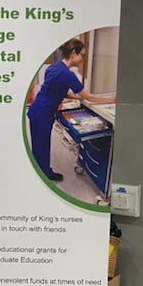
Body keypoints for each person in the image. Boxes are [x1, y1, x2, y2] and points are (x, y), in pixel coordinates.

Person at [27, 38, 116, 181]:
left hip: (36, 110)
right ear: (73, 53)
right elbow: (89, 96)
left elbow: (57, 90)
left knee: (38, 146)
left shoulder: (53, 67)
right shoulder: (68, 75)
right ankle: (44, 175)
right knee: (42, 147)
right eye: (82, 55)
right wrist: (112, 99)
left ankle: (40, 171)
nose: (82, 59)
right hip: (43, 114)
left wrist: (75, 97)